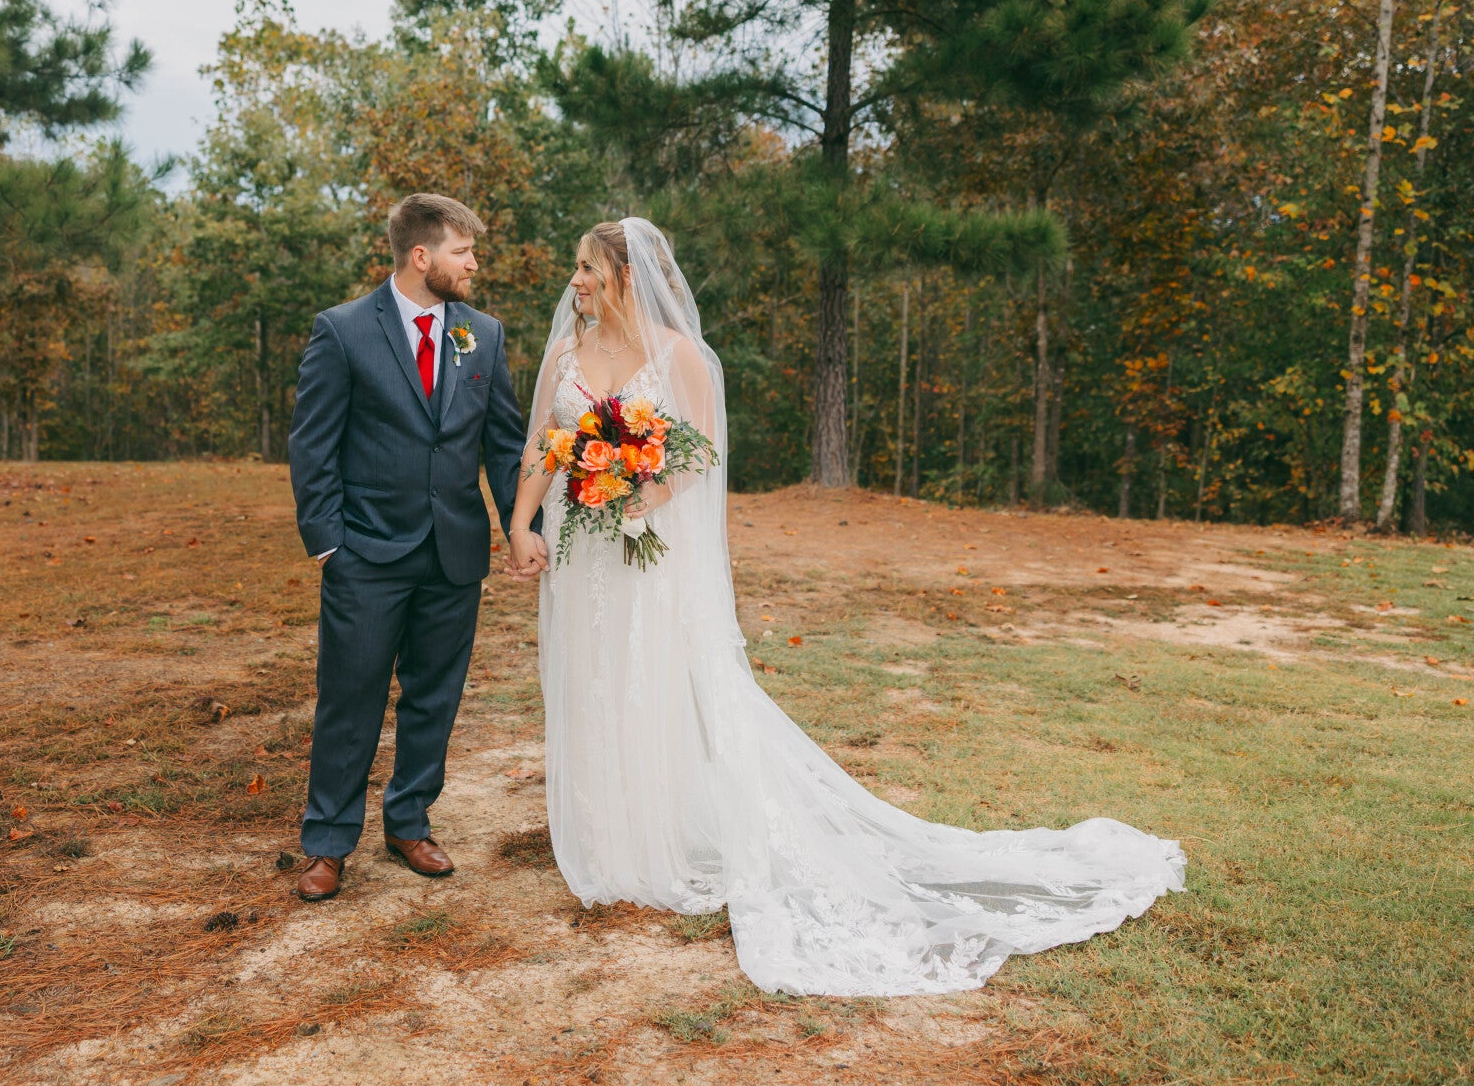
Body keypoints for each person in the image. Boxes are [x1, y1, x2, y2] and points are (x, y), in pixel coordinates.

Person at [499, 217, 1185, 996]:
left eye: (587, 268)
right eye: (576, 268)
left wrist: (646, 492)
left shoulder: (678, 355)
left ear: (627, 277)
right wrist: (521, 525)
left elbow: (702, 451)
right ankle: (607, 836)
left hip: (644, 548)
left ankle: (657, 838)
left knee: (648, 682)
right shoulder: (567, 352)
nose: (575, 281)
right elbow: (543, 445)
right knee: (591, 679)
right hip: (581, 549)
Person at [285, 193, 526, 902]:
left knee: (434, 698)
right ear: (421, 256)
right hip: (365, 553)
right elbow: (312, 445)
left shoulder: (483, 334)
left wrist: (520, 527)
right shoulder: (343, 331)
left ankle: (409, 821)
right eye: (463, 252)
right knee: (349, 699)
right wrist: (329, 544)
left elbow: (504, 443)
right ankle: (328, 841)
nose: (473, 264)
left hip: (454, 553)